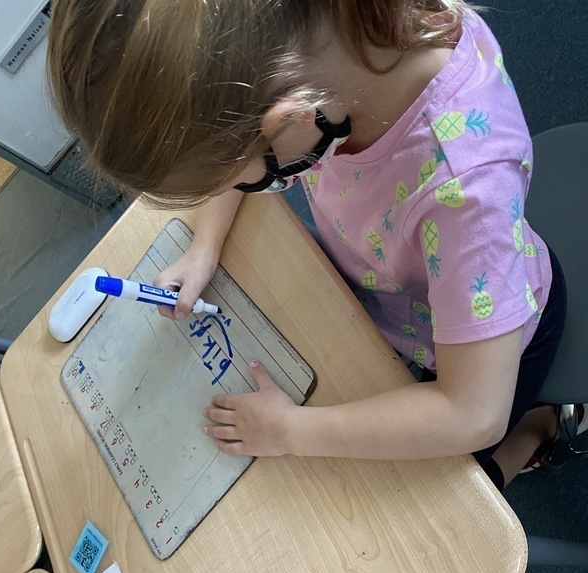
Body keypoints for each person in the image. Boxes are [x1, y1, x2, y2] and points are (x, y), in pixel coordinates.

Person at [47, 0, 577, 489]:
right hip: (389, 301)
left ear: (291, 118)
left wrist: (290, 430)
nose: (249, 185)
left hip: (494, 348)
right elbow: (231, 127)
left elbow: (472, 414)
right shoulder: (322, 50)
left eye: (251, 179)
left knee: (456, 491)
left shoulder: (464, 185)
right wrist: (204, 247)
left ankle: (540, 432)